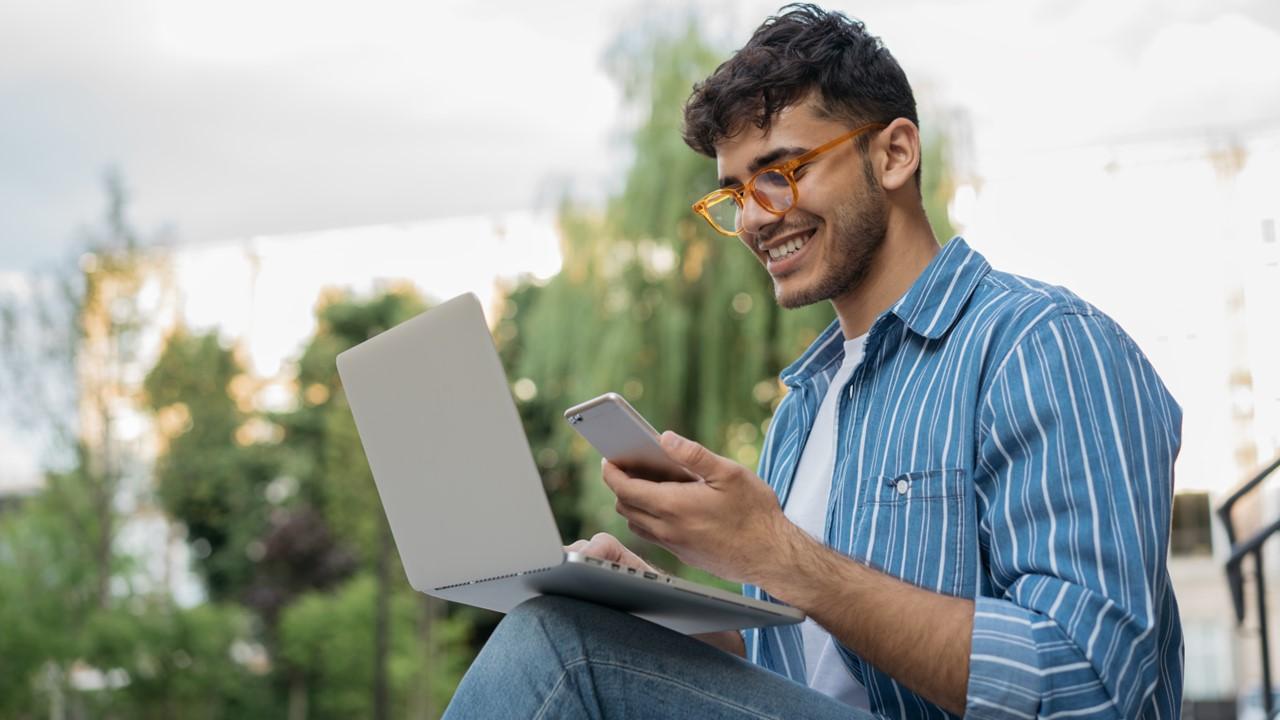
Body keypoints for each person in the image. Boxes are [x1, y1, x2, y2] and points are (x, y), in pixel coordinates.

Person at [443, 4, 1183, 718]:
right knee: (578, 625)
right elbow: (798, 679)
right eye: (735, 192)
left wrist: (777, 553)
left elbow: (1091, 687)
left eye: (783, 169)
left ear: (894, 153)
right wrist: (658, 611)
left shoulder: (1041, 344)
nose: (757, 217)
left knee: (560, 649)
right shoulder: (805, 406)